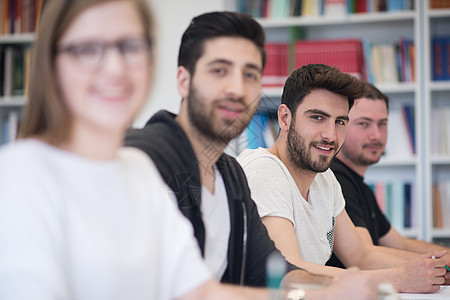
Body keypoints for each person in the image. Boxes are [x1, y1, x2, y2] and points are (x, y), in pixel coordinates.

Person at [0, 1, 264, 299]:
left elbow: (200, 292)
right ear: (53, 65)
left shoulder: (138, 170)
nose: (115, 68)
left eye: (130, 47)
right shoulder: (19, 175)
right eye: (88, 49)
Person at [125, 11, 378, 299]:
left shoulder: (231, 175)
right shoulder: (143, 159)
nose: (237, 89)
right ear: (184, 80)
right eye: (219, 70)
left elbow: (270, 272)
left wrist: (342, 286)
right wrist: (322, 295)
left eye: (249, 75)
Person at [237, 64, 448, 293]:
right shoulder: (262, 170)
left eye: (339, 122)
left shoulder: (324, 178)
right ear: (285, 118)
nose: (330, 135)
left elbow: (362, 255)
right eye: (317, 117)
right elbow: (291, 269)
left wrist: (435, 267)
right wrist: (398, 278)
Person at [326, 82, 450, 284]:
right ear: (341, 125)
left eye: (382, 124)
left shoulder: (361, 186)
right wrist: (441, 263)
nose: (376, 134)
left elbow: (398, 242)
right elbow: (364, 255)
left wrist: (444, 256)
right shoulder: (336, 179)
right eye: (364, 124)